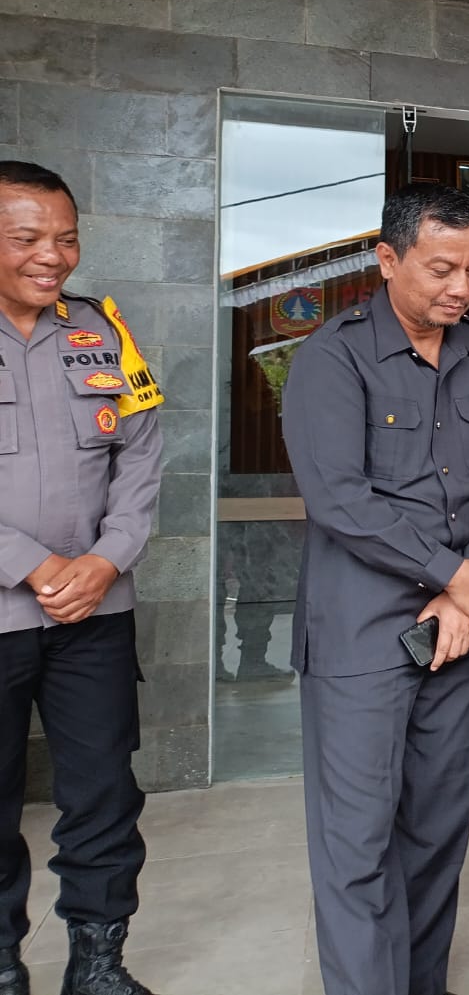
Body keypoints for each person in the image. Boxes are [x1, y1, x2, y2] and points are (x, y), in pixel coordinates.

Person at [281, 183, 469, 995]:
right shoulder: (331, 356)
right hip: (361, 631)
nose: (460, 287)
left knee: (435, 828)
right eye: (440, 268)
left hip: (460, 632)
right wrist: (452, 574)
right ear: (387, 261)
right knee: (356, 841)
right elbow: (339, 499)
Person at [0, 161, 165, 995]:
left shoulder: (103, 327)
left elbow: (141, 456)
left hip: (96, 611)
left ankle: (98, 961)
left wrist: (107, 558)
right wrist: (31, 564)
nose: (52, 255)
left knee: (102, 792)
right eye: (27, 237)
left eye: (64, 237)